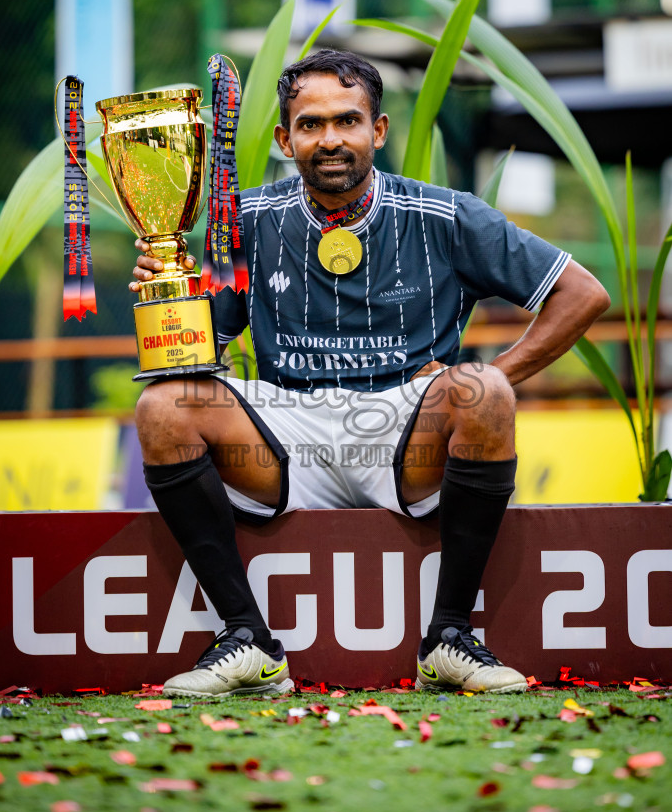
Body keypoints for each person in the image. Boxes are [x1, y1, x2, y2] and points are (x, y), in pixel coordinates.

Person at [131, 49, 610, 699]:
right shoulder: (240, 221)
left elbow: (581, 294)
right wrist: (167, 295)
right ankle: (247, 639)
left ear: (377, 130)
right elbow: (200, 349)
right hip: (282, 433)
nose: (329, 139)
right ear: (283, 138)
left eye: (347, 121)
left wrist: (497, 373)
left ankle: (447, 637)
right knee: (163, 408)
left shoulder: (447, 215)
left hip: (405, 429)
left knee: (484, 390)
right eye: (310, 124)